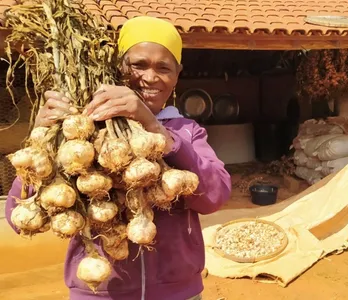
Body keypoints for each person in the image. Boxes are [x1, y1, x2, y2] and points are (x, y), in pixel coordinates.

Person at [5, 16, 232, 300]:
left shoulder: (185, 131)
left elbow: (215, 196)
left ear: (177, 75)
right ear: (118, 67)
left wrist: (157, 131)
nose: (150, 77)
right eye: (138, 65)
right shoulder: (81, 133)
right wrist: (41, 139)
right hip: (100, 291)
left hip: (178, 294)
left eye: (164, 68)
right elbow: (19, 219)